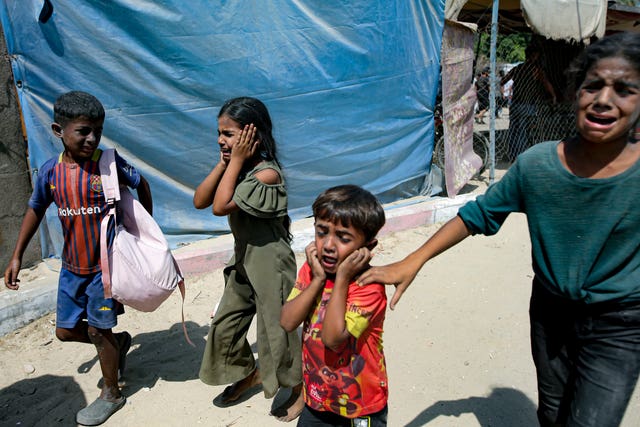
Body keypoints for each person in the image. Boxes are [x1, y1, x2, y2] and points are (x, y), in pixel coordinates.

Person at [358, 31, 640, 427]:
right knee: (553, 412)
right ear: (575, 92)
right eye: (593, 85)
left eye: (625, 90)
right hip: (551, 312)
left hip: (621, 322)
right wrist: (413, 260)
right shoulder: (538, 166)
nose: (604, 99)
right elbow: (479, 215)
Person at [3, 91, 152, 426]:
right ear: (59, 130)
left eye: (97, 130)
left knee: (99, 332)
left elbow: (141, 184)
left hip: (105, 269)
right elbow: (35, 208)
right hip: (72, 269)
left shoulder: (109, 165)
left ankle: (112, 392)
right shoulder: (50, 174)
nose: (92, 138)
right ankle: (119, 343)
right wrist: (16, 256)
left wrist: (143, 229)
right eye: (83, 131)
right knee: (65, 332)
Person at [194, 96, 303, 421]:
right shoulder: (236, 169)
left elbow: (220, 207)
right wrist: (225, 162)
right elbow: (201, 200)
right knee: (225, 326)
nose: (220, 140)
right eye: (219, 133)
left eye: (229, 134)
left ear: (251, 135)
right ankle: (249, 372)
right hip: (244, 259)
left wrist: (236, 161)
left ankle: (300, 390)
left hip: (271, 263)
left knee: (277, 333)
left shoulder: (267, 174)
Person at [281, 185, 389, 426]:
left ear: (367, 247)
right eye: (322, 232)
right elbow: (287, 322)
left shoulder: (368, 287)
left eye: (343, 237)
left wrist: (340, 279)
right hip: (318, 398)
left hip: (360, 405)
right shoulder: (312, 271)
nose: (328, 245)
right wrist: (318, 280)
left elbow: (332, 339)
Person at [501, 44, 557, 161]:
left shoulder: (517, 68)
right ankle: (520, 155)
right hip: (528, 104)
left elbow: (503, 80)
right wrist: (553, 95)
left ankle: (512, 153)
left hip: (516, 103)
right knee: (523, 130)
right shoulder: (536, 70)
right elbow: (546, 83)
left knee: (513, 129)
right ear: (534, 56)